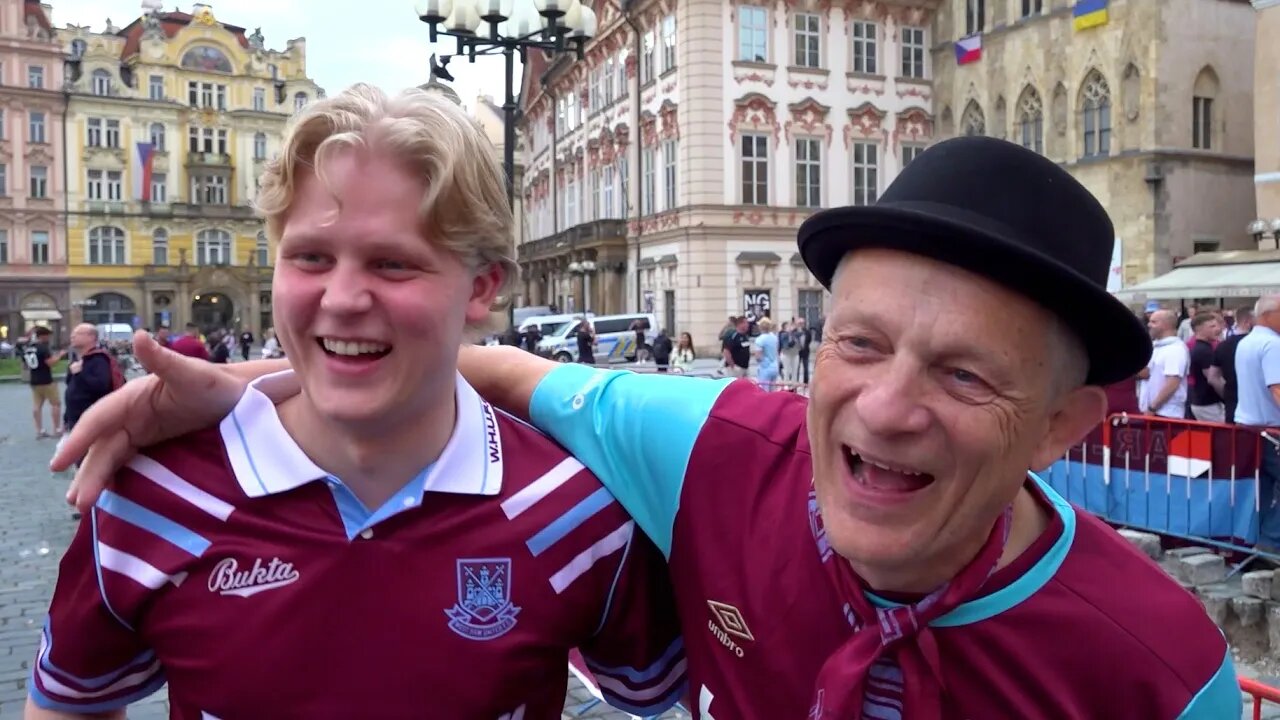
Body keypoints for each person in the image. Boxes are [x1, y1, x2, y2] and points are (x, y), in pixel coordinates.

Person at [56, 137, 1239, 718]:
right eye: (858, 342)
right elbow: (493, 365)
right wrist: (269, 383)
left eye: (966, 374)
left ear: (1058, 427)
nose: (885, 407)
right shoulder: (710, 447)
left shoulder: (1155, 665)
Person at [28, 85, 684, 719]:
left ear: (481, 288)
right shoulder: (152, 498)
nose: (342, 299)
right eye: (311, 257)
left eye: (392, 264)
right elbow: (71, 703)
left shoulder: (573, 513)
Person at [23, 326, 64, 438]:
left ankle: (39, 430)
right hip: (46, 380)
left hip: (34, 380)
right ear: (43, 336)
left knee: (37, 406)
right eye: (48, 336)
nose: (49, 338)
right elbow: (50, 363)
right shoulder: (43, 348)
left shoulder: (28, 348)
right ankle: (56, 429)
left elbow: (25, 365)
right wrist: (59, 356)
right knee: (56, 404)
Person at [752, 317, 779, 390]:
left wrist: (759, 360)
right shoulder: (774, 337)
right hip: (775, 366)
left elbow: (758, 356)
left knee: (764, 390)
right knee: (773, 390)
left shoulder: (760, 339)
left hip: (765, 367)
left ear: (760, 327)